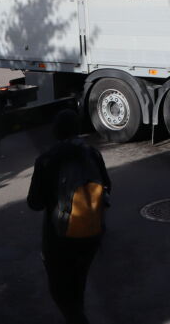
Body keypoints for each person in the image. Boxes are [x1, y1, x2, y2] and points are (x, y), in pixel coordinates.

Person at [27, 110, 112, 324]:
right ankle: (78, 313)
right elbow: (107, 186)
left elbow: (34, 203)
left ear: (56, 131)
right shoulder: (92, 153)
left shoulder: (46, 160)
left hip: (59, 236)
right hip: (91, 232)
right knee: (78, 281)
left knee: (60, 290)